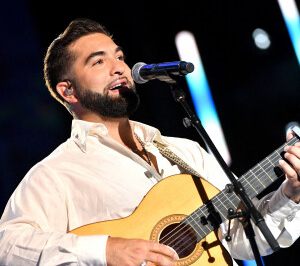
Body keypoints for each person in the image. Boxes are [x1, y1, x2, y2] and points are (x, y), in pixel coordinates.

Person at [0, 18, 300, 266]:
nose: (119, 67)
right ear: (68, 91)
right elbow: (8, 247)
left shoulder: (185, 151)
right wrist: (106, 250)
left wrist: (290, 194)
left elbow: (245, 239)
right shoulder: (56, 174)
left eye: (119, 56)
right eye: (98, 62)